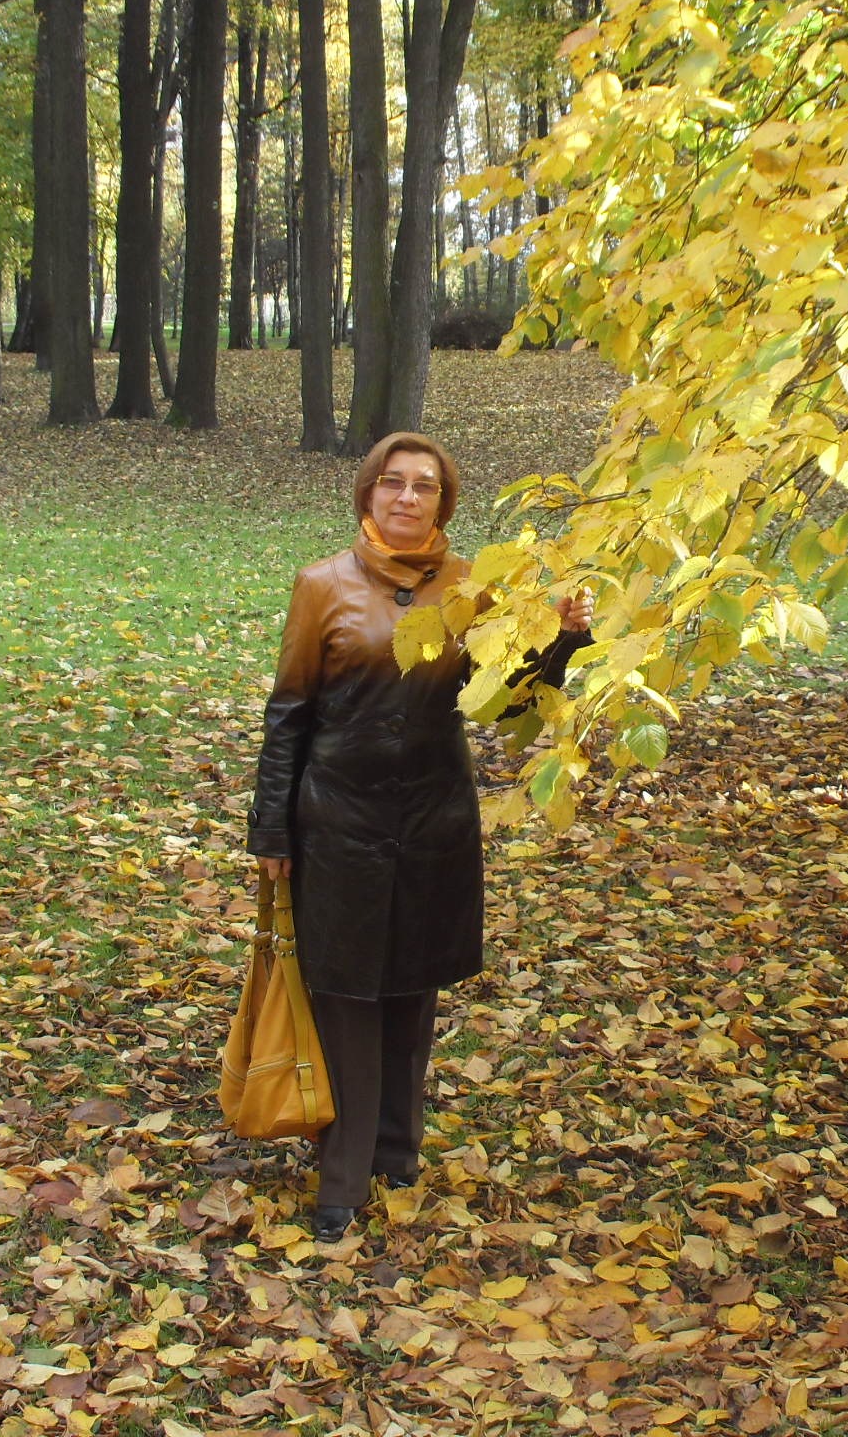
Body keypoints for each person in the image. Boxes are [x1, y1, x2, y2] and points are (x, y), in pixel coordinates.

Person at [247, 432, 592, 1242]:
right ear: (368, 492)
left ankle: (397, 1154)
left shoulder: (472, 588)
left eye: (425, 486)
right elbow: (289, 711)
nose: (407, 497)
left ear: (444, 501)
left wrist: (564, 640)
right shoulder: (323, 585)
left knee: (411, 989)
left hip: (434, 821)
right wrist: (270, 827)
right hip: (339, 822)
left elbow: (505, 703)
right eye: (393, 482)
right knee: (344, 993)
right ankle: (343, 1177)